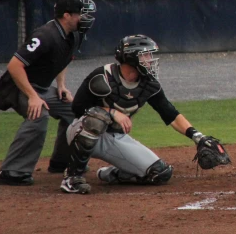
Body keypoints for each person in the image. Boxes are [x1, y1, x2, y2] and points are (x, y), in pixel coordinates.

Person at [59, 35, 219, 194]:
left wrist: (197, 136)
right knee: (96, 120)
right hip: (82, 131)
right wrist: (111, 112)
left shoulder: (148, 84)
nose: (150, 60)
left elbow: (170, 113)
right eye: (146, 55)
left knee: (160, 173)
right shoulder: (103, 77)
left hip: (115, 138)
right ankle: (72, 178)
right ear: (131, 57)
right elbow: (78, 108)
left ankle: (112, 174)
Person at [0, 0, 96, 186]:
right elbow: (14, 66)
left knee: (75, 110)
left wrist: (62, 86)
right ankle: (12, 172)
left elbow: (65, 58)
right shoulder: (45, 36)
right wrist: (32, 96)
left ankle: (61, 162)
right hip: (17, 87)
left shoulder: (74, 34)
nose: (84, 18)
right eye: (80, 14)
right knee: (38, 114)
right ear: (66, 15)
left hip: (41, 88)